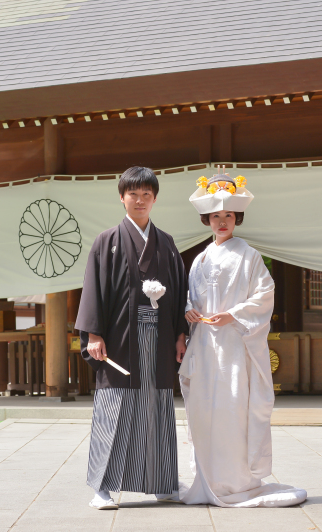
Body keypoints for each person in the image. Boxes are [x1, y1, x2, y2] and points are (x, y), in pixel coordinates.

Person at [179, 168, 308, 507]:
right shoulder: (199, 260)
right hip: (205, 345)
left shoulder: (249, 256)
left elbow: (265, 295)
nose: (222, 221)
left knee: (234, 409)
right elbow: (189, 295)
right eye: (216, 216)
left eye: (229, 215)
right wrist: (190, 309)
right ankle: (207, 478)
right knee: (204, 410)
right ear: (207, 219)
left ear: (237, 219)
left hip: (235, 345)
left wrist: (233, 315)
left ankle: (236, 481)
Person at [76, 166, 189, 510]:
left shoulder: (166, 243)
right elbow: (94, 289)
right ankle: (101, 487)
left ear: (154, 199)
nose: (140, 201)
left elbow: (180, 290)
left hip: (158, 335)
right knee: (115, 407)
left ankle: (162, 483)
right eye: (133, 194)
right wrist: (94, 333)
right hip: (120, 337)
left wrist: (181, 335)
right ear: (122, 197)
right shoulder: (107, 241)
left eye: (146, 195)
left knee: (156, 408)